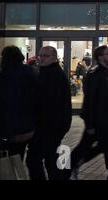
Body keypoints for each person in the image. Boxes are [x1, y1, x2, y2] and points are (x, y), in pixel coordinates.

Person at [70, 45, 108, 180]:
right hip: (96, 119)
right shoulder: (95, 74)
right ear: (100, 57)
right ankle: (71, 166)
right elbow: (90, 100)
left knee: (107, 148)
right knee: (98, 147)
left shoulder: (104, 73)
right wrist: (90, 123)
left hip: (102, 118)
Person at [26, 46, 72, 180]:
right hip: (52, 126)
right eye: (40, 55)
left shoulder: (52, 75)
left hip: (48, 126)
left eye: (45, 56)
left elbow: (47, 103)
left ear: (54, 57)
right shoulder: (47, 72)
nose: (41, 58)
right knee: (51, 160)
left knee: (34, 159)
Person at [0, 46, 37, 161]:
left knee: (10, 158)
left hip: (11, 128)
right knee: (21, 157)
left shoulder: (5, 77)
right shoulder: (31, 73)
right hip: (29, 126)